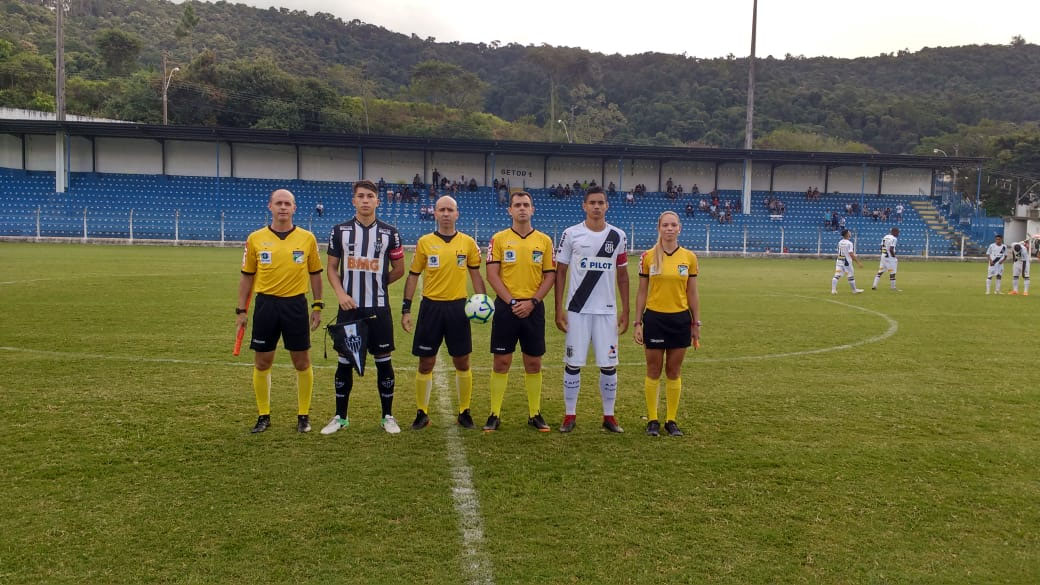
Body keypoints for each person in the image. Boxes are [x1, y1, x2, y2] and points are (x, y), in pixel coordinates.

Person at [321, 180, 406, 435]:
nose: (365, 200)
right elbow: (331, 268)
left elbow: (399, 269)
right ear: (354, 201)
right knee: (344, 362)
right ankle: (340, 417)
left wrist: (378, 284)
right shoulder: (339, 231)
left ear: (378, 201)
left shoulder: (391, 233)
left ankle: (387, 416)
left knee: (384, 362)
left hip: (379, 309)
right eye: (361, 196)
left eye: (370, 196)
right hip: (349, 310)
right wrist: (341, 294)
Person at [236, 189, 324, 434]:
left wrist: (317, 305)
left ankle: (303, 416)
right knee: (262, 361)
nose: (283, 207)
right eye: (278, 203)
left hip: (296, 305)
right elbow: (246, 276)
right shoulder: (255, 238)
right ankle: (263, 415)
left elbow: (316, 274)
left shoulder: (307, 238)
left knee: (302, 361)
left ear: (294, 208)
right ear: (270, 206)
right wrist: (241, 310)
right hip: (266, 305)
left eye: (287, 203)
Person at [401, 196, 486, 430]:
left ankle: (464, 411)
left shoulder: (468, 243)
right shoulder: (424, 242)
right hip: (431, 308)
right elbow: (413, 276)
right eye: (442, 210)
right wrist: (406, 308)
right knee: (425, 362)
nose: (446, 213)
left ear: (457, 214)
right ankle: (422, 413)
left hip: (458, 308)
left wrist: (483, 302)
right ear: (435, 213)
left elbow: (476, 275)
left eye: (450, 210)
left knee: (462, 361)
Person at [554, 186, 630, 433]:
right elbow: (560, 272)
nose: (597, 206)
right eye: (592, 203)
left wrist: (626, 310)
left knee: (608, 364)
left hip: (607, 311)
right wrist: (558, 308)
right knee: (572, 363)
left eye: (601, 202)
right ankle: (569, 415)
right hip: (577, 309)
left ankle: (609, 416)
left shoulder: (617, 235)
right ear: (584, 206)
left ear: (607, 206)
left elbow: (623, 275)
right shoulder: (571, 234)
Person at [482, 191, 556, 432]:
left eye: (526, 205)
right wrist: (513, 302)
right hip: (507, 308)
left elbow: (550, 276)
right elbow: (492, 274)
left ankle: (535, 414)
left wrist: (532, 302)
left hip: (534, 308)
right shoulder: (499, 239)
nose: (522, 208)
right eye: (517, 205)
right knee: (501, 361)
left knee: (533, 363)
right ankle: (494, 414)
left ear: (532, 209)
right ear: (510, 210)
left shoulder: (544, 241)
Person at [634, 211, 700, 437]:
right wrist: (637, 322)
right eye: (665, 225)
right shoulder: (647, 257)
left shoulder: (689, 257)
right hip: (654, 319)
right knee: (653, 370)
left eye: (673, 225)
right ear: (659, 228)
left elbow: (692, 292)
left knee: (674, 370)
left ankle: (671, 420)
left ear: (679, 228)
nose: (669, 228)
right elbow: (642, 292)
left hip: (680, 320)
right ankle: (652, 420)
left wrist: (695, 322)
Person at [831, 229, 864, 295]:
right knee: (850, 275)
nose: (850, 233)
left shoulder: (840, 242)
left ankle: (833, 290)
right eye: (849, 232)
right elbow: (851, 254)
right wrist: (858, 262)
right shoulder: (849, 243)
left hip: (839, 260)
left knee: (837, 275)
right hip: (846, 262)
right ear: (847, 234)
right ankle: (854, 290)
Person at [872, 227, 901, 291]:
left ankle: (874, 285)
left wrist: (884, 253)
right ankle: (893, 287)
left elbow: (881, 247)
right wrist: (894, 256)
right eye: (898, 232)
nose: (898, 234)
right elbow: (891, 249)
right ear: (894, 232)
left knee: (880, 271)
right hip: (890, 258)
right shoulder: (894, 239)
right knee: (892, 272)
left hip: (883, 256)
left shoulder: (885, 237)